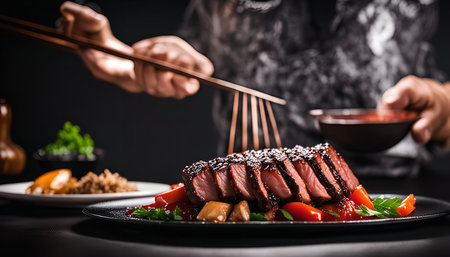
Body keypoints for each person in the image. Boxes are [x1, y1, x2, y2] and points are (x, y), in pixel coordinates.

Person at [58, 1, 450, 176]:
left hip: (403, 207)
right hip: (249, 201)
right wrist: (118, 55)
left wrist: (445, 101)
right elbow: (173, 63)